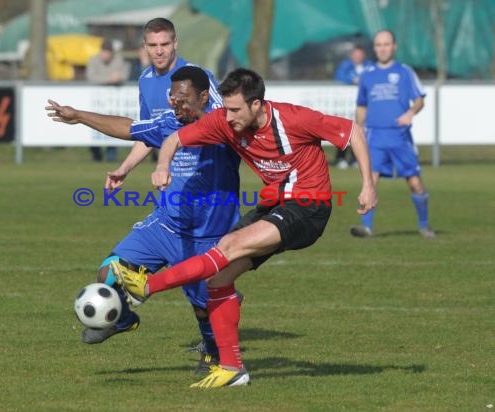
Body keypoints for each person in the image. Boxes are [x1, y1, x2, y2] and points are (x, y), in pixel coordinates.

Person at [112, 68, 378, 388]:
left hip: (309, 207)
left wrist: (367, 185)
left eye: (236, 109)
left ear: (256, 105)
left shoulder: (294, 119)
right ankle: (233, 369)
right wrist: (163, 165)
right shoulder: (225, 120)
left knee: (227, 247)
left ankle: (146, 288)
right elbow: (174, 139)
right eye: (226, 108)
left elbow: (354, 132)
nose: (230, 116)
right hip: (274, 205)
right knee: (217, 279)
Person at [46, 66, 242, 375]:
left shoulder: (227, 128)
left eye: (184, 98)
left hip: (207, 235)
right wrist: (79, 115)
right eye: (173, 97)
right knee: (109, 271)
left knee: (203, 307)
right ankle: (122, 318)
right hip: (164, 226)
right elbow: (129, 128)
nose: (177, 104)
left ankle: (214, 354)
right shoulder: (169, 123)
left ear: (204, 97)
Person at [350, 29, 436, 239]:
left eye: (386, 44)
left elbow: (419, 99)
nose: (382, 48)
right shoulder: (368, 75)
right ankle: (366, 227)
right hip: (375, 137)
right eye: (379, 45)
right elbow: (361, 105)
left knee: (415, 183)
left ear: (394, 46)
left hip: (400, 137)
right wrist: (358, 128)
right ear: (375, 48)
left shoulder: (405, 72)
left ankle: (424, 225)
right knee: (370, 181)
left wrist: (410, 113)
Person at [136, 17, 221, 163]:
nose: (159, 51)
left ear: (175, 43)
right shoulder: (144, 80)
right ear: (145, 46)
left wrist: (189, 111)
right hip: (170, 178)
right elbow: (148, 133)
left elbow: (223, 121)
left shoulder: (197, 75)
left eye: (164, 44)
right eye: (152, 45)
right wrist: (124, 168)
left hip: (205, 173)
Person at [85, 38, 131, 162]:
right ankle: (96, 155)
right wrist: (108, 79)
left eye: (108, 52)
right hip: (96, 101)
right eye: (104, 52)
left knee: (114, 126)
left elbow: (124, 74)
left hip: (113, 102)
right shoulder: (93, 60)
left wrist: (117, 78)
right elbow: (91, 77)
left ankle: (111, 155)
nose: (105, 55)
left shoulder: (118, 60)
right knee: (93, 125)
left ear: (112, 53)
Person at [333, 45, 372, 169]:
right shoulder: (346, 66)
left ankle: (356, 159)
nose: (357, 57)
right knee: (343, 131)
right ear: (351, 56)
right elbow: (339, 76)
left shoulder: (369, 66)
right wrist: (352, 79)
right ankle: (341, 158)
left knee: (360, 131)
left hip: (362, 106)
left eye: (360, 55)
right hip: (346, 105)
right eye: (355, 55)